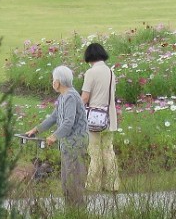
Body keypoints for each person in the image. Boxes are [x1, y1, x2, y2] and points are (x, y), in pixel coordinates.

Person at [26, 66, 88, 207]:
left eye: (54, 80)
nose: (53, 82)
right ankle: (71, 211)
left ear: (58, 82)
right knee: (66, 179)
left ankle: (78, 213)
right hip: (68, 144)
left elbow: (68, 122)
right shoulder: (63, 97)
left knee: (73, 180)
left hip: (75, 144)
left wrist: (54, 136)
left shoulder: (71, 97)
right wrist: (36, 130)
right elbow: (54, 117)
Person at [81, 43, 121, 192]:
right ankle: (112, 184)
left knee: (94, 151)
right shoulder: (110, 72)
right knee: (108, 151)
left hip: (94, 118)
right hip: (109, 117)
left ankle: (93, 185)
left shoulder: (91, 72)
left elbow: (85, 97)